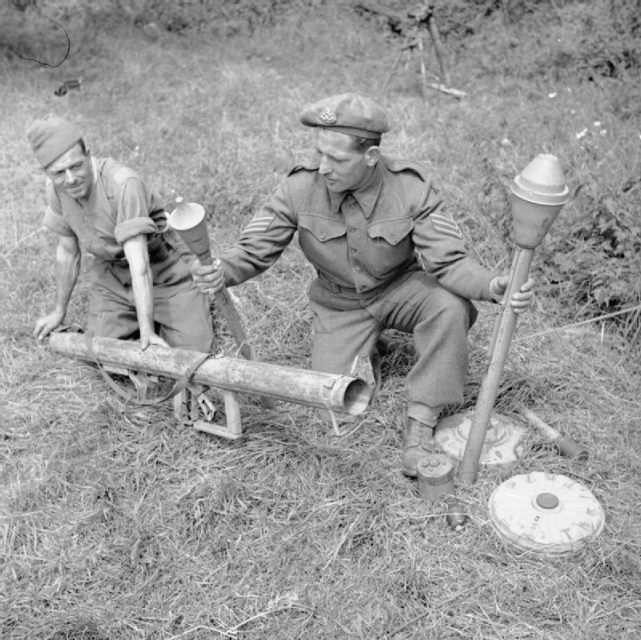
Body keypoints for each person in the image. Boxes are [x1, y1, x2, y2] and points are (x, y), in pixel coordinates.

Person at [191, 93, 533, 476]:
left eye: (337, 159)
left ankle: (421, 421)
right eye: (320, 153)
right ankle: (370, 348)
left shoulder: (411, 188)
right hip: (339, 303)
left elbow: (448, 262)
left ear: (370, 157)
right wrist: (223, 269)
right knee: (336, 406)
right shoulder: (299, 186)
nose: (324, 167)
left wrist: (492, 285)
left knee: (450, 306)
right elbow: (254, 249)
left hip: (399, 288)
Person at [28, 114, 214, 355]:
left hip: (163, 270)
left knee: (192, 353)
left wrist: (147, 332)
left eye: (76, 166)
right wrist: (58, 311)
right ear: (46, 173)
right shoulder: (56, 188)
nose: (71, 179)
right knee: (104, 354)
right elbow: (67, 252)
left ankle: (188, 301)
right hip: (113, 275)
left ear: (88, 154)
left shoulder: (123, 184)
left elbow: (141, 265)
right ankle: (138, 315)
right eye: (59, 173)